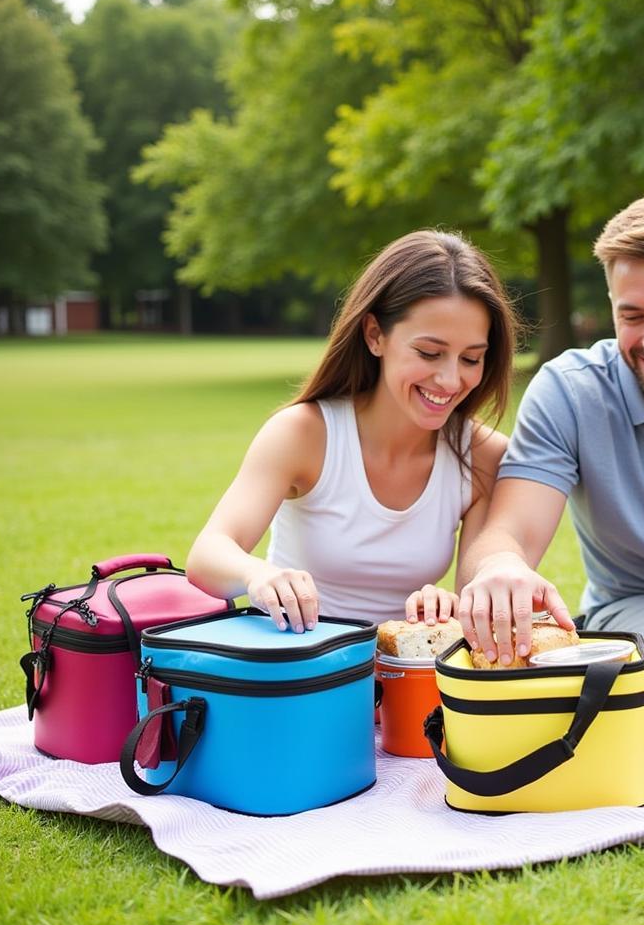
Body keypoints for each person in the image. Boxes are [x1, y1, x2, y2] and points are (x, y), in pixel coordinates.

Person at [457, 190, 644, 738]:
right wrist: (502, 567)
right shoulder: (570, 391)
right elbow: (508, 531)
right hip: (639, 609)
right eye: (631, 316)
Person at [186, 229, 519, 632]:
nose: (450, 381)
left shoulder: (483, 456)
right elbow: (207, 554)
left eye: (471, 358)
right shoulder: (304, 434)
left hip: (404, 675)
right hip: (302, 667)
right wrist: (258, 575)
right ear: (375, 335)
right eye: (429, 353)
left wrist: (448, 604)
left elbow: (474, 598)